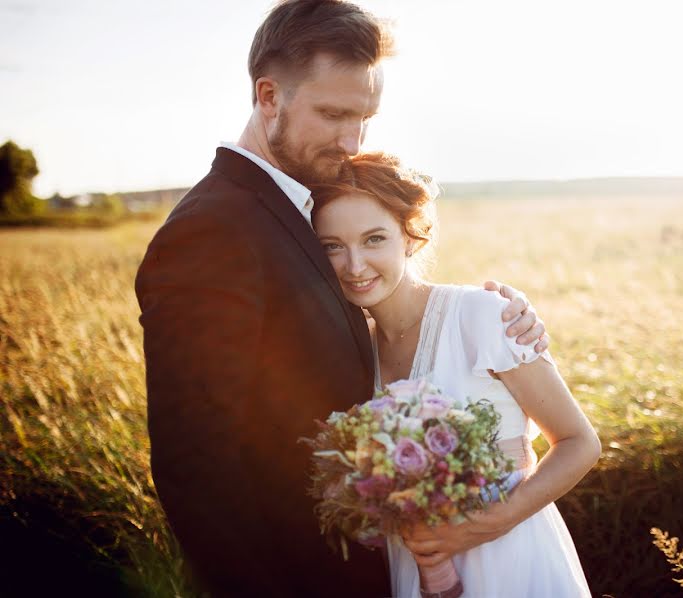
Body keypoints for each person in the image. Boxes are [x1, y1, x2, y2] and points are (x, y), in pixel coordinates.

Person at [134, 1, 546, 596]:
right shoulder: (212, 231)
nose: (351, 141)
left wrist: (501, 318)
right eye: (332, 114)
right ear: (268, 95)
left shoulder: (304, 206)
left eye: (366, 118)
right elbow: (197, 466)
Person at [310, 152, 601, 598]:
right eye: (332, 245)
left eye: (373, 239)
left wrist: (485, 526)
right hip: (413, 566)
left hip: (510, 558)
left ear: (410, 236)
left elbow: (579, 443)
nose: (354, 265)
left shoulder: (483, 315)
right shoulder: (353, 350)